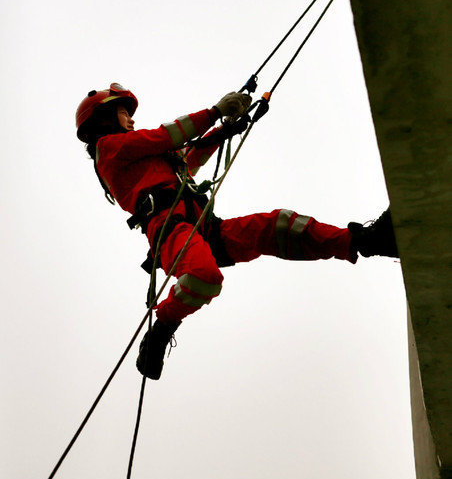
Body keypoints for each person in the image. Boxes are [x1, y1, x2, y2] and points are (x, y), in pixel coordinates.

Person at [76, 83, 399, 380]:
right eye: (123, 114)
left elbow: (186, 159)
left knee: (278, 225)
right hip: (171, 230)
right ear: (104, 120)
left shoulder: (142, 159)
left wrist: (224, 130)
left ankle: (365, 242)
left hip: (203, 228)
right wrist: (216, 111)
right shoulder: (110, 149)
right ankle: (161, 329)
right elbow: (166, 136)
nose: (130, 121)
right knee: (204, 276)